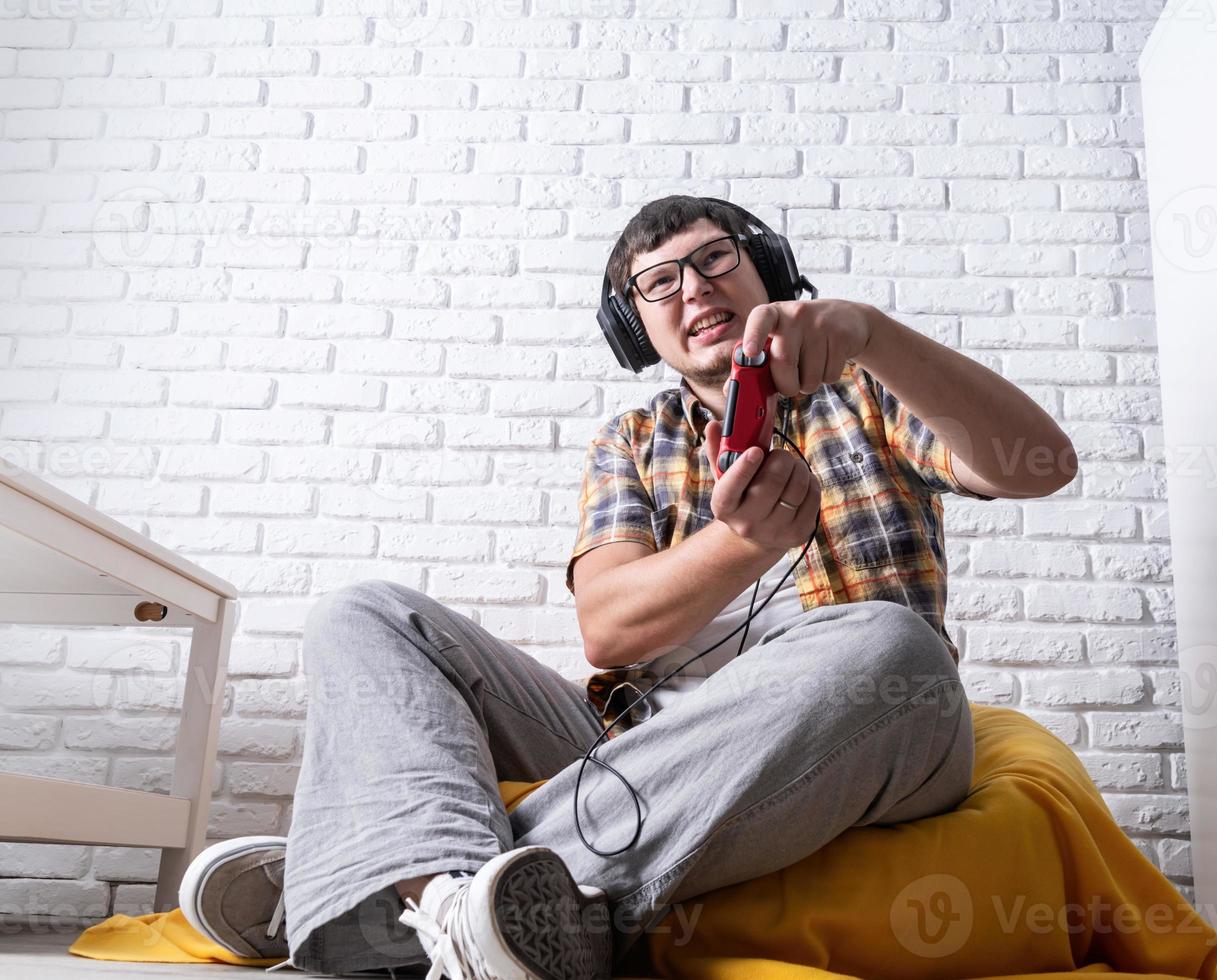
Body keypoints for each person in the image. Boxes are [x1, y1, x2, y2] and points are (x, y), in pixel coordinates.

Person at [176, 196, 1078, 980]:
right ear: (634, 328)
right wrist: (738, 546)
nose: (694, 290)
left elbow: (1038, 467)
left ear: (765, 273)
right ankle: (451, 906)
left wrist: (874, 333)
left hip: (871, 722)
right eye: (660, 283)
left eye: (715, 260)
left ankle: (370, 889)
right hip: (635, 737)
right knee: (363, 613)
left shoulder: (865, 391)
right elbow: (609, 632)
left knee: (891, 643)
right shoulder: (633, 441)